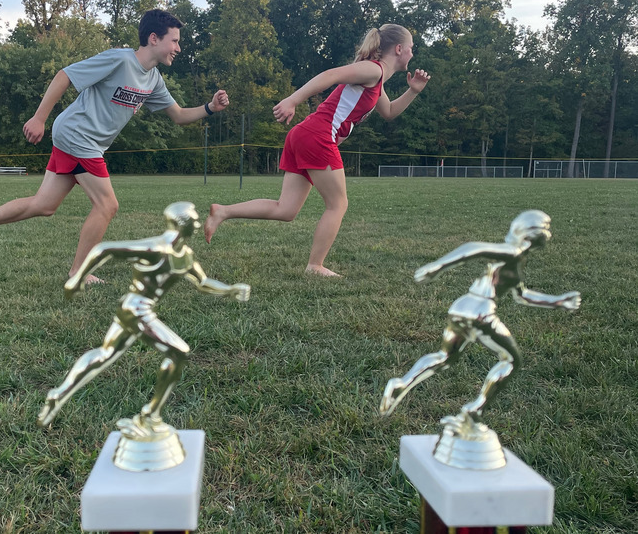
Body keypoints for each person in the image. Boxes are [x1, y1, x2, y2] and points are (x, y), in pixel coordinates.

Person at [0, 9, 229, 283]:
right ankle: (78, 271)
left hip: (82, 141)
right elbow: (65, 75)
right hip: (78, 135)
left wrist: (210, 108)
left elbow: (178, 115)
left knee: (44, 205)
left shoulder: (154, 79)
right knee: (107, 205)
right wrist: (39, 118)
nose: (178, 48)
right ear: (154, 38)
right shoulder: (119, 60)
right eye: (175, 41)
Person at [203, 24, 430, 277]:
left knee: (286, 210)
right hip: (317, 137)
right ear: (399, 49)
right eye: (411, 48)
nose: (412, 53)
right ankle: (315, 266)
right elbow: (330, 75)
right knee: (338, 204)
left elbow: (388, 112)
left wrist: (413, 91)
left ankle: (223, 211)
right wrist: (292, 100)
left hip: (305, 135)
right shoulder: (372, 70)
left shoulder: (377, 81)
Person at [37, 202, 250, 431]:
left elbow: (203, 283)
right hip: (137, 309)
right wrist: (77, 279)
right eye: (193, 219)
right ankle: (151, 416)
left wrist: (230, 289)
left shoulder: (185, 255)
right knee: (179, 352)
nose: (197, 223)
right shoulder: (156, 248)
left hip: (134, 309)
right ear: (180, 223)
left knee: (105, 354)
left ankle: (58, 395)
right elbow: (103, 249)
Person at [379, 210, 581, 435]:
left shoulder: (517, 259)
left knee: (445, 357)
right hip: (481, 312)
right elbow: (474, 247)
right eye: (546, 228)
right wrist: (437, 266)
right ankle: (474, 410)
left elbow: (522, 295)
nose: (548, 234)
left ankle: (401, 384)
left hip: (462, 307)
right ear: (532, 233)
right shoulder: (513, 251)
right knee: (511, 361)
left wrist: (558, 301)